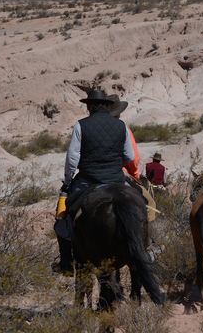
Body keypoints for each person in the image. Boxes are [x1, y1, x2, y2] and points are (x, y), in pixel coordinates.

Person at [52, 89, 136, 275]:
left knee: (62, 214)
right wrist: (113, 165)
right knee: (143, 204)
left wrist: (67, 181)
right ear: (107, 106)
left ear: (89, 106)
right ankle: (149, 246)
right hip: (116, 179)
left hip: (87, 182)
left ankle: (65, 261)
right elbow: (129, 155)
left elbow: (72, 158)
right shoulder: (121, 125)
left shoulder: (81, 125)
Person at [108, 95, 158, 224]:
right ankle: (149, 241)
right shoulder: (123, 128)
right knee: (150, 204)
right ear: (119, 113)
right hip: (120, 172)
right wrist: (135, 176)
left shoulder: (92, 127)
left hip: (93, 173)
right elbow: (133, 158)